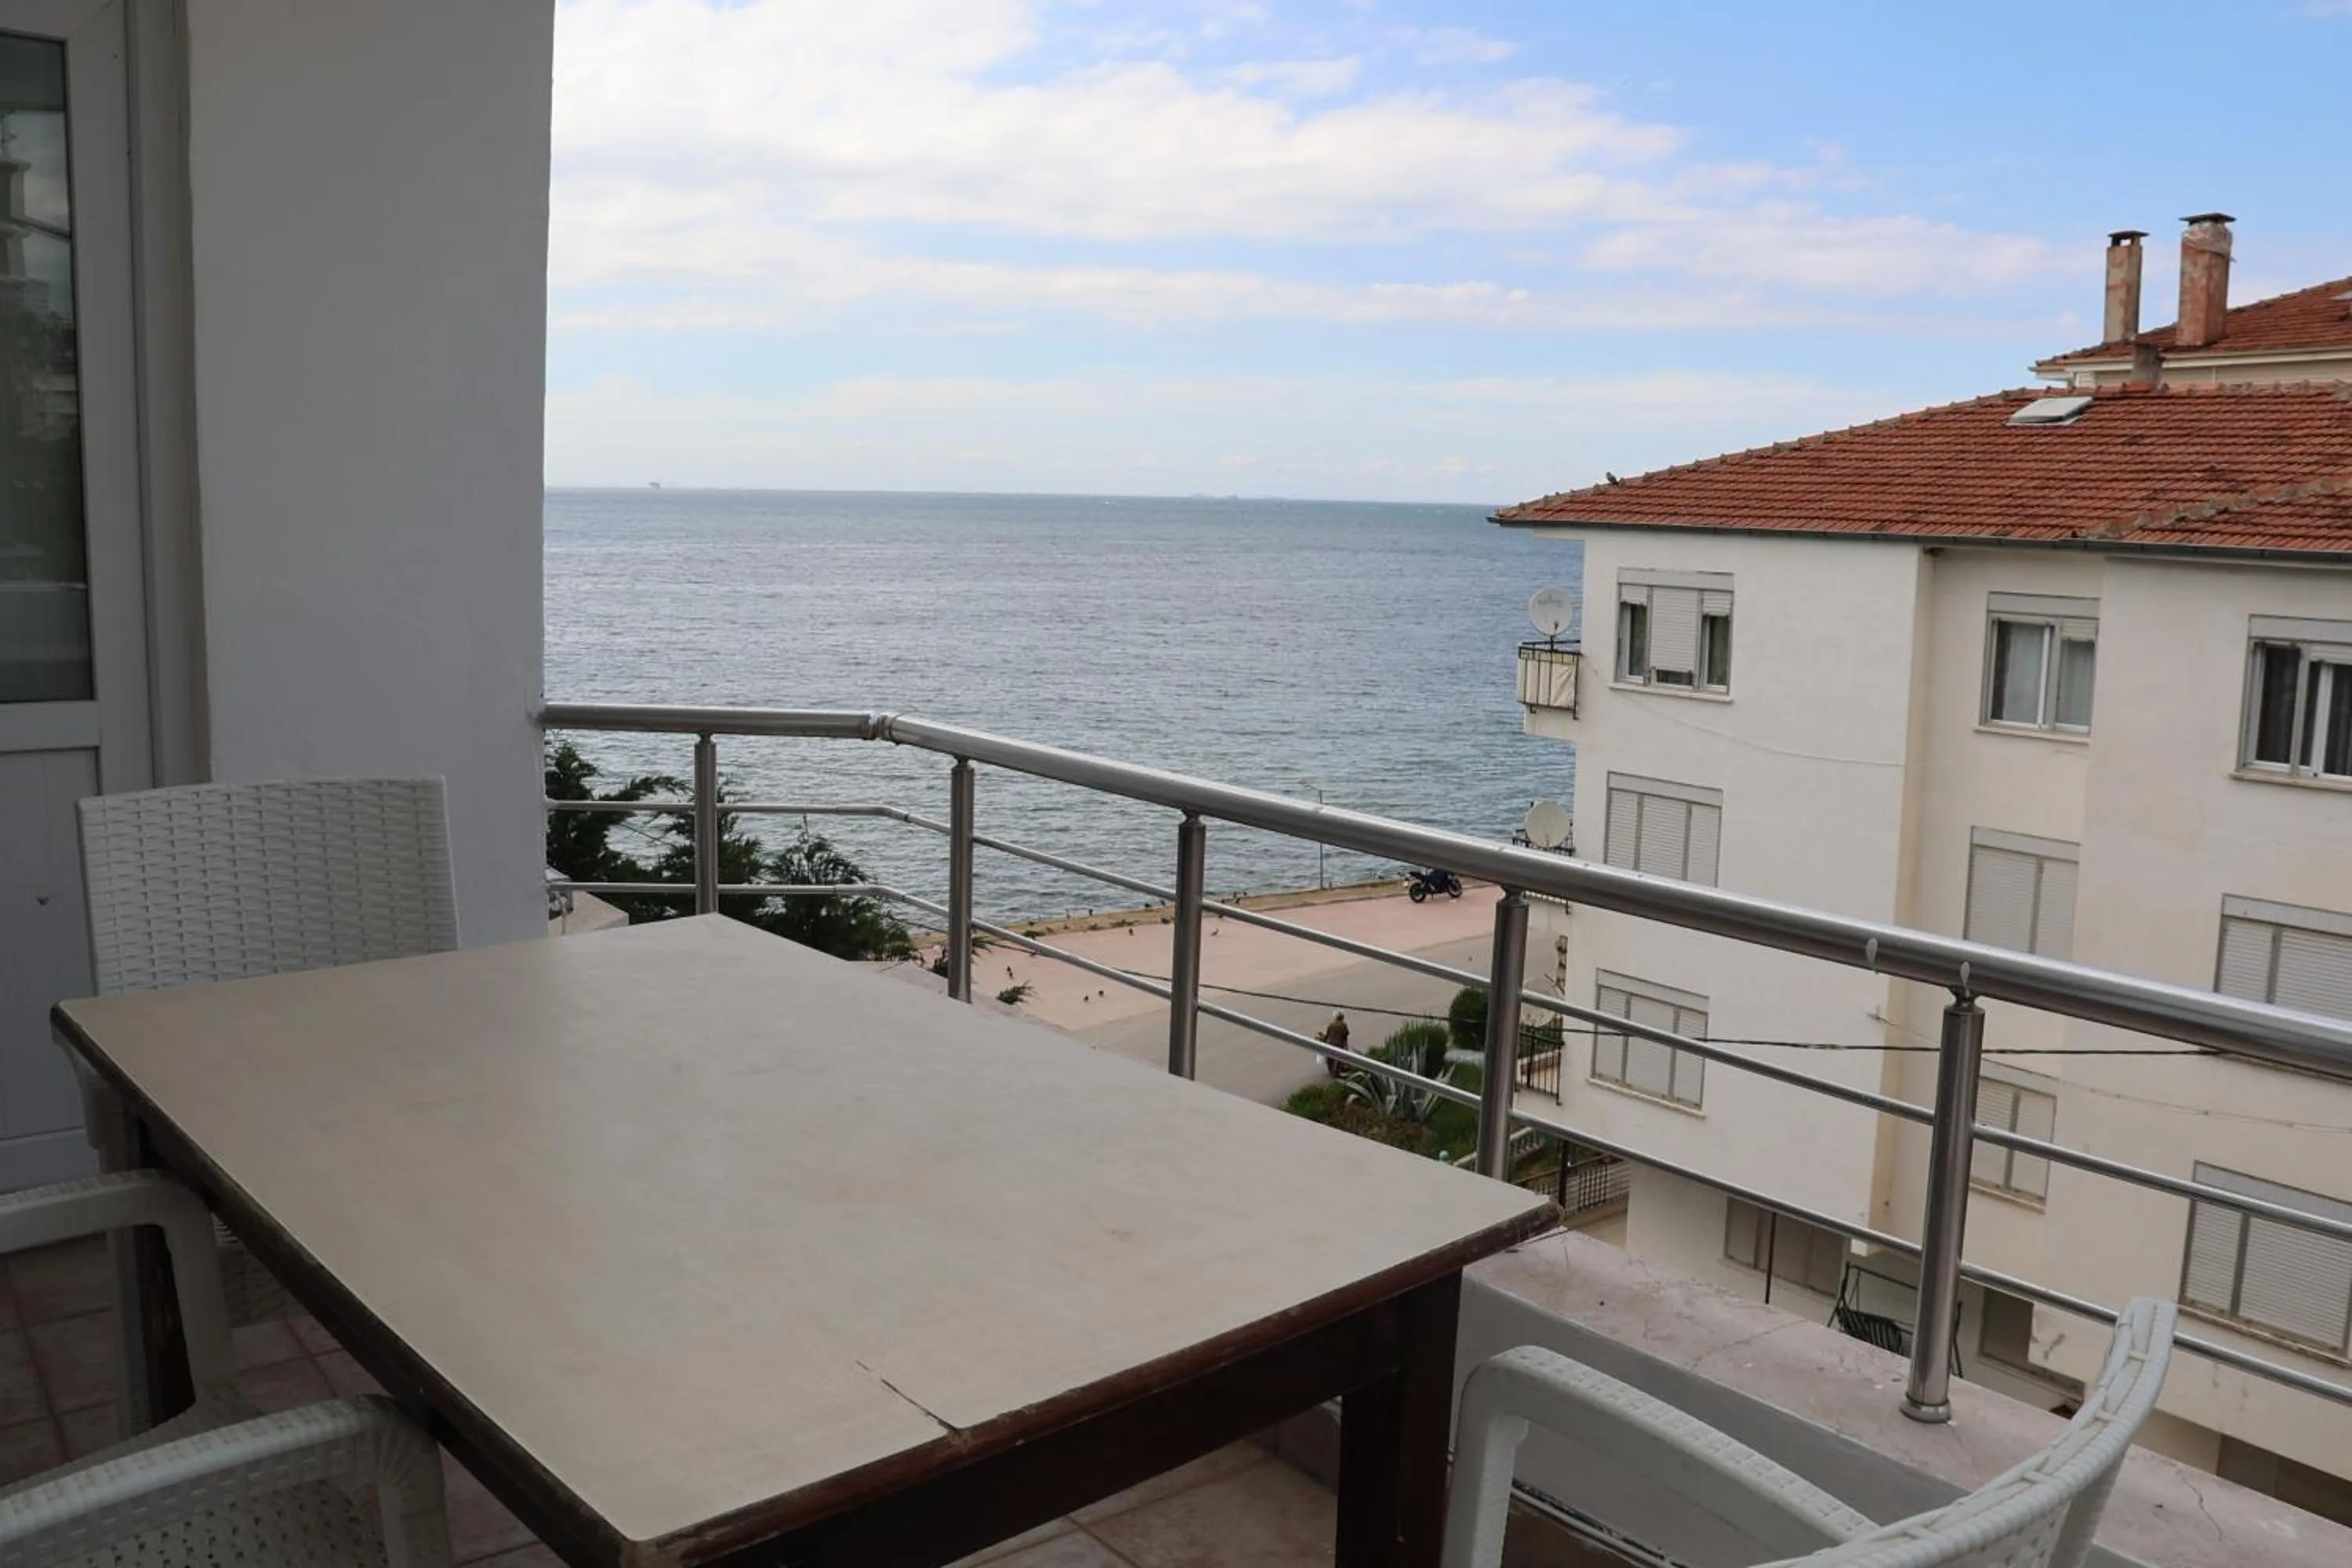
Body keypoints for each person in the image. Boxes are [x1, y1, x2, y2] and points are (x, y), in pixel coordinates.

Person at [1319, 1011, 1352, 1076]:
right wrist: (1345, 1044)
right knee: (1339, 1058)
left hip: (1331, 1043)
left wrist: (1323, 1039)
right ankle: (1337, 1071)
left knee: (1330, 1058)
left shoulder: (1331, 1025)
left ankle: (1331, 1071)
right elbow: (1345, 1034)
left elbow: (1327, 1035)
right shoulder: (1344, 1025)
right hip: (1339, 1043)